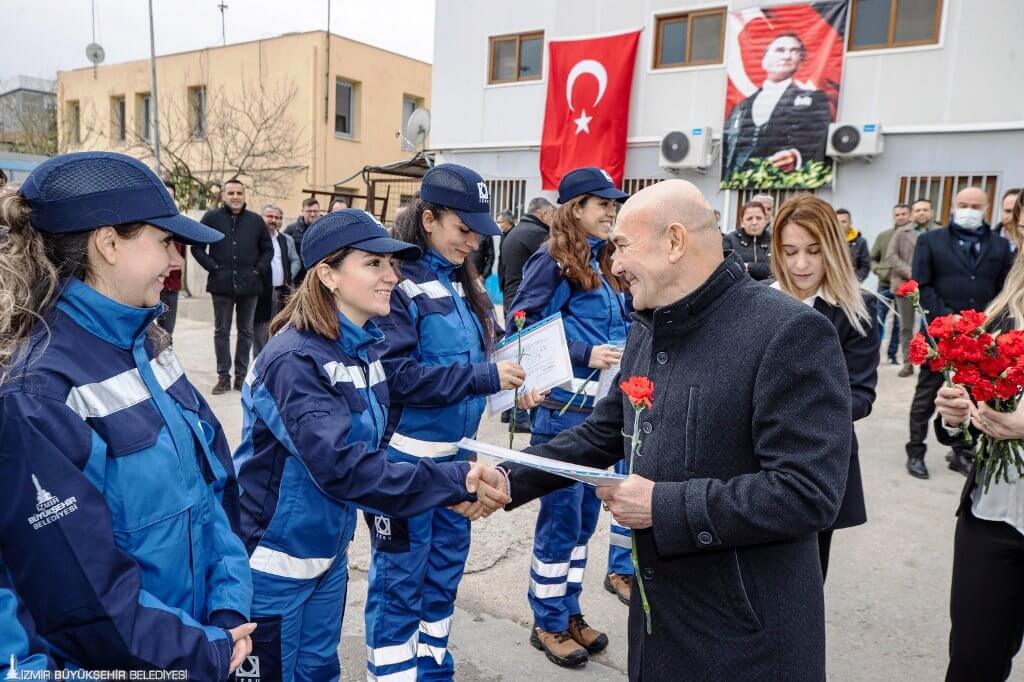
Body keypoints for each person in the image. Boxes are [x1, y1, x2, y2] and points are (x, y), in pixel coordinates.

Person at [486, 179, 850, 681]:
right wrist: (509, 479)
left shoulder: (788, 331)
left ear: (674, 241)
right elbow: (603, 433)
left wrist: (661, 506)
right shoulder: (649, 324)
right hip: (659, 626)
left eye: (623, 246)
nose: (613, 265)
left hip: (743, 640)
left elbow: (807, 492)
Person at [0, 151, 255, 678]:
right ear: (108, 243)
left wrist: (227, 606)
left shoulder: (149, 344)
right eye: (164, 241)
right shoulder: (39, 392)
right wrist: (201, 652)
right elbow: (84, 600)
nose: (176, 260)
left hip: (201, 638)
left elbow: (211, 493)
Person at [233, 209, 508, 681]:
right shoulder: (295, 359)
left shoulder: (362, 349)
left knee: (320, 671)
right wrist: (454, 480)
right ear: (327, 274)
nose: (391, 278)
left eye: (393, 265)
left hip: (327, 555)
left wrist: (450, 487)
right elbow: (343, 467)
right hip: (274, 565)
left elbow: (375, 452)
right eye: (373, 265)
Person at [363, 163, 527, 681]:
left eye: (478, 232)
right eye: (463, 229)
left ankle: (434, 671)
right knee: (400, 585)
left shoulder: (462, 287)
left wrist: (520, 382)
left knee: (442, 580)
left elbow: (486, 361)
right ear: (428, 219)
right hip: (405, 466)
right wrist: (484, 377)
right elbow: (399, 378)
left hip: (457, 462)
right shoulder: (397, 285)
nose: (473, 241)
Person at [506, 166, 630, 668]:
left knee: (581, 525)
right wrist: (585, 352)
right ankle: (548, 621)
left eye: (613, 205)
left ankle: (570, 610)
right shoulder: (550, 260)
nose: (611, 212)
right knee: (559, 524)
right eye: (603, 204)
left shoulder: (600, 259)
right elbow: (525, 328)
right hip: (562, 415)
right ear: (576, 207)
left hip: (596, 413)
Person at [770, 195, 878, 578]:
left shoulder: (856, 312)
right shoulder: (758, 303)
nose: (801, 264)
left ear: (832, 248)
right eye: (791, 251)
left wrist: (794, 412)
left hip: (818, 467)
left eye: (813, 251)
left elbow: (862, 395)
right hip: (752, 470)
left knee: (806, 579)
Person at [934, 252, 1024, 681]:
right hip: (991, 517)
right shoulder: (1000, 319)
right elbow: (962, 415)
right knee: (972, 663)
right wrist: (954, 415)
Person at [904, 186, 1013, 480]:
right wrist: (949, 319)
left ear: (986, 208)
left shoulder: (1000, 247)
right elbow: (922, 285)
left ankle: (962, 452)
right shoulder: (930, 241)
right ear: (953, 206)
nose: (969, 209)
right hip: (940, 337)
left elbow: (1005, 290)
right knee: (928, 395)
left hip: (981, 340)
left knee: (975, 396)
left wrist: (984, 324)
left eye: (975, 205)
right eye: (963, 204)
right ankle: (915, 450)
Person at [192, 178, 273, 394]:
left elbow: (268, 250)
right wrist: (214, 267)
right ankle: (223, 377)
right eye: (231, 193)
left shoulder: (256, 221)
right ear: (224, 196)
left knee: (246, 332)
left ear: (244, 195)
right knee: (222, 331)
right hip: (221, 285)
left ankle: (241, 377)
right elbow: (197, 247)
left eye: (239, 193)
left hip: (250, 286)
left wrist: (258, 270)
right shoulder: (211, 218)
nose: (235, 197)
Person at [722, 34, 832, 177]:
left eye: (794, 51)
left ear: (800, 60)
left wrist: (795, 156)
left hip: (785, 179)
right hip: (739, 180)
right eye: (780, 50)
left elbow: (817, 142)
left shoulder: (815, 99)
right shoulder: (741, 107)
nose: (787, 56)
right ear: (764, 60)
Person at [889, 198, 938, 377]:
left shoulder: (940, 232)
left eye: (925, 209)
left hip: (932, 287)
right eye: (918, 210)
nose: (921, 213)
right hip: (905, 286)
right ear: (913, 213)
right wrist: (912, 272)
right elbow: (891, 256)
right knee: (906, 327)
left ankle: (933, 360)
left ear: (931, 212)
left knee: (933, 325)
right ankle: (908, 363)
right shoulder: (901, 232)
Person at [253, 204, 299, 357]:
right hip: (261, 293)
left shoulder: (286, 240)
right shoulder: (254, 238)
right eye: (270, 216)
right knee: (260, 333)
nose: (274, 220)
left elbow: (295, 261)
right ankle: (258, 370)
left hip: (282, 292)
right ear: (261, 218)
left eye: (278, 218)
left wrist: (287, 277)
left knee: (280, 332)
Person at [499, 197, 556, 307]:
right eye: (552, 214)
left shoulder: (515, 231)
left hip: (512, 296)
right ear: (544, 214)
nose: (553, 219)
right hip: (526, 301)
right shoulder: (538, 234)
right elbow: (551, 268)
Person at [871, 205, 909, 364]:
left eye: (903, 214)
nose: (900, 217)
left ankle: (892, 356)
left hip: (904, 286)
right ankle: (873, 354)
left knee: (900, 323)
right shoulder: (884, 236)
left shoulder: (912, 237)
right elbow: (872, 258)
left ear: (909, 215)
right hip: (884, 284)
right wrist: (880, 271)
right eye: (897, 214)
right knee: (879, 319)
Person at [723, 200, 773, 281]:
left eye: (759, 218)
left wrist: (748, 266)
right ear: (742, 222)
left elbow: (775, 270)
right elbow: (728, 269)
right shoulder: (729, 240)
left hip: (769, 289)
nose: (754, 222)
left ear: (766, 220)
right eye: (749, 218)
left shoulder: (774, 240)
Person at [286, 197, 322, 284]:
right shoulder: (291, 229)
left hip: (320, 276)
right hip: (298, 279)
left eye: (315, 211)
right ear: (302, 211)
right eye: (309, 211)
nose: (313, 214)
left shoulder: (326, 228)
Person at [836, 208, 870, 282]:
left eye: (843, 221)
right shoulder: (828, 241)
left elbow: (865, 266)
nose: (840, 225)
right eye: (837, 222)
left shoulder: (861, 242)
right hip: (831, 285)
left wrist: (855, 281)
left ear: (850, 223)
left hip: (851, 286)